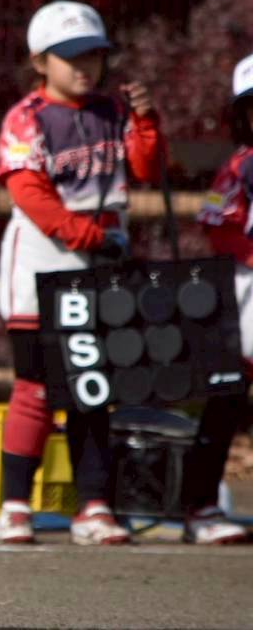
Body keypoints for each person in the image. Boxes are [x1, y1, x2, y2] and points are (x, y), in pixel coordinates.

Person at [0, 0, 164, 545]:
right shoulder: (27, 117)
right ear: (40, 62)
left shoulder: (115, 112)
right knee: (37, 388)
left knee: (93, 388)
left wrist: (146, 121)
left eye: (93, 54)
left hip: (101, 263)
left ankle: (93, 506)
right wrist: (87, 236)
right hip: (43, 261)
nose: (85, 66)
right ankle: (14, 505)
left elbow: (147, 168)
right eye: (70, 56)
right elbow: (29, 192)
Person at [189, 51, 253, 545]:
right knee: (226, 398)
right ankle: (201, 505)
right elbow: (214, 221)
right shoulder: (239, 168)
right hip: (244, 295)